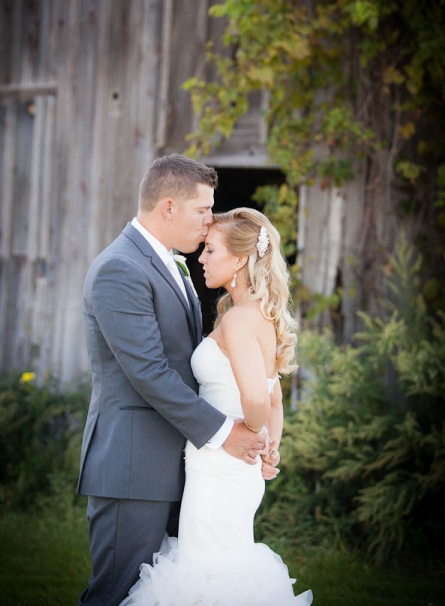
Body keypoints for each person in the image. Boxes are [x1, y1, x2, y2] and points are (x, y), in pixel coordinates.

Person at [76, 156, 268, 606]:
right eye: (203, 210)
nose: (208, 223)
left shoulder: (172, 265)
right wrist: (225, 434)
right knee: (116, 594)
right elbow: (148, 372)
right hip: (132, 466)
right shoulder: (119, 268)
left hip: (178, 463)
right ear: (168, 207)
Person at [120, 207, 313, 606]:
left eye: (210, 250)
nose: (201, 258)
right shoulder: (256, 314)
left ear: (239, 259)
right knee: (223, 567)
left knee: (206, 575)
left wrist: (253, 432)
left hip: (221, 467)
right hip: (231, 467)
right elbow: (275, 397)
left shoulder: (242, 319)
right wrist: (270, 444)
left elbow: (259, 399)